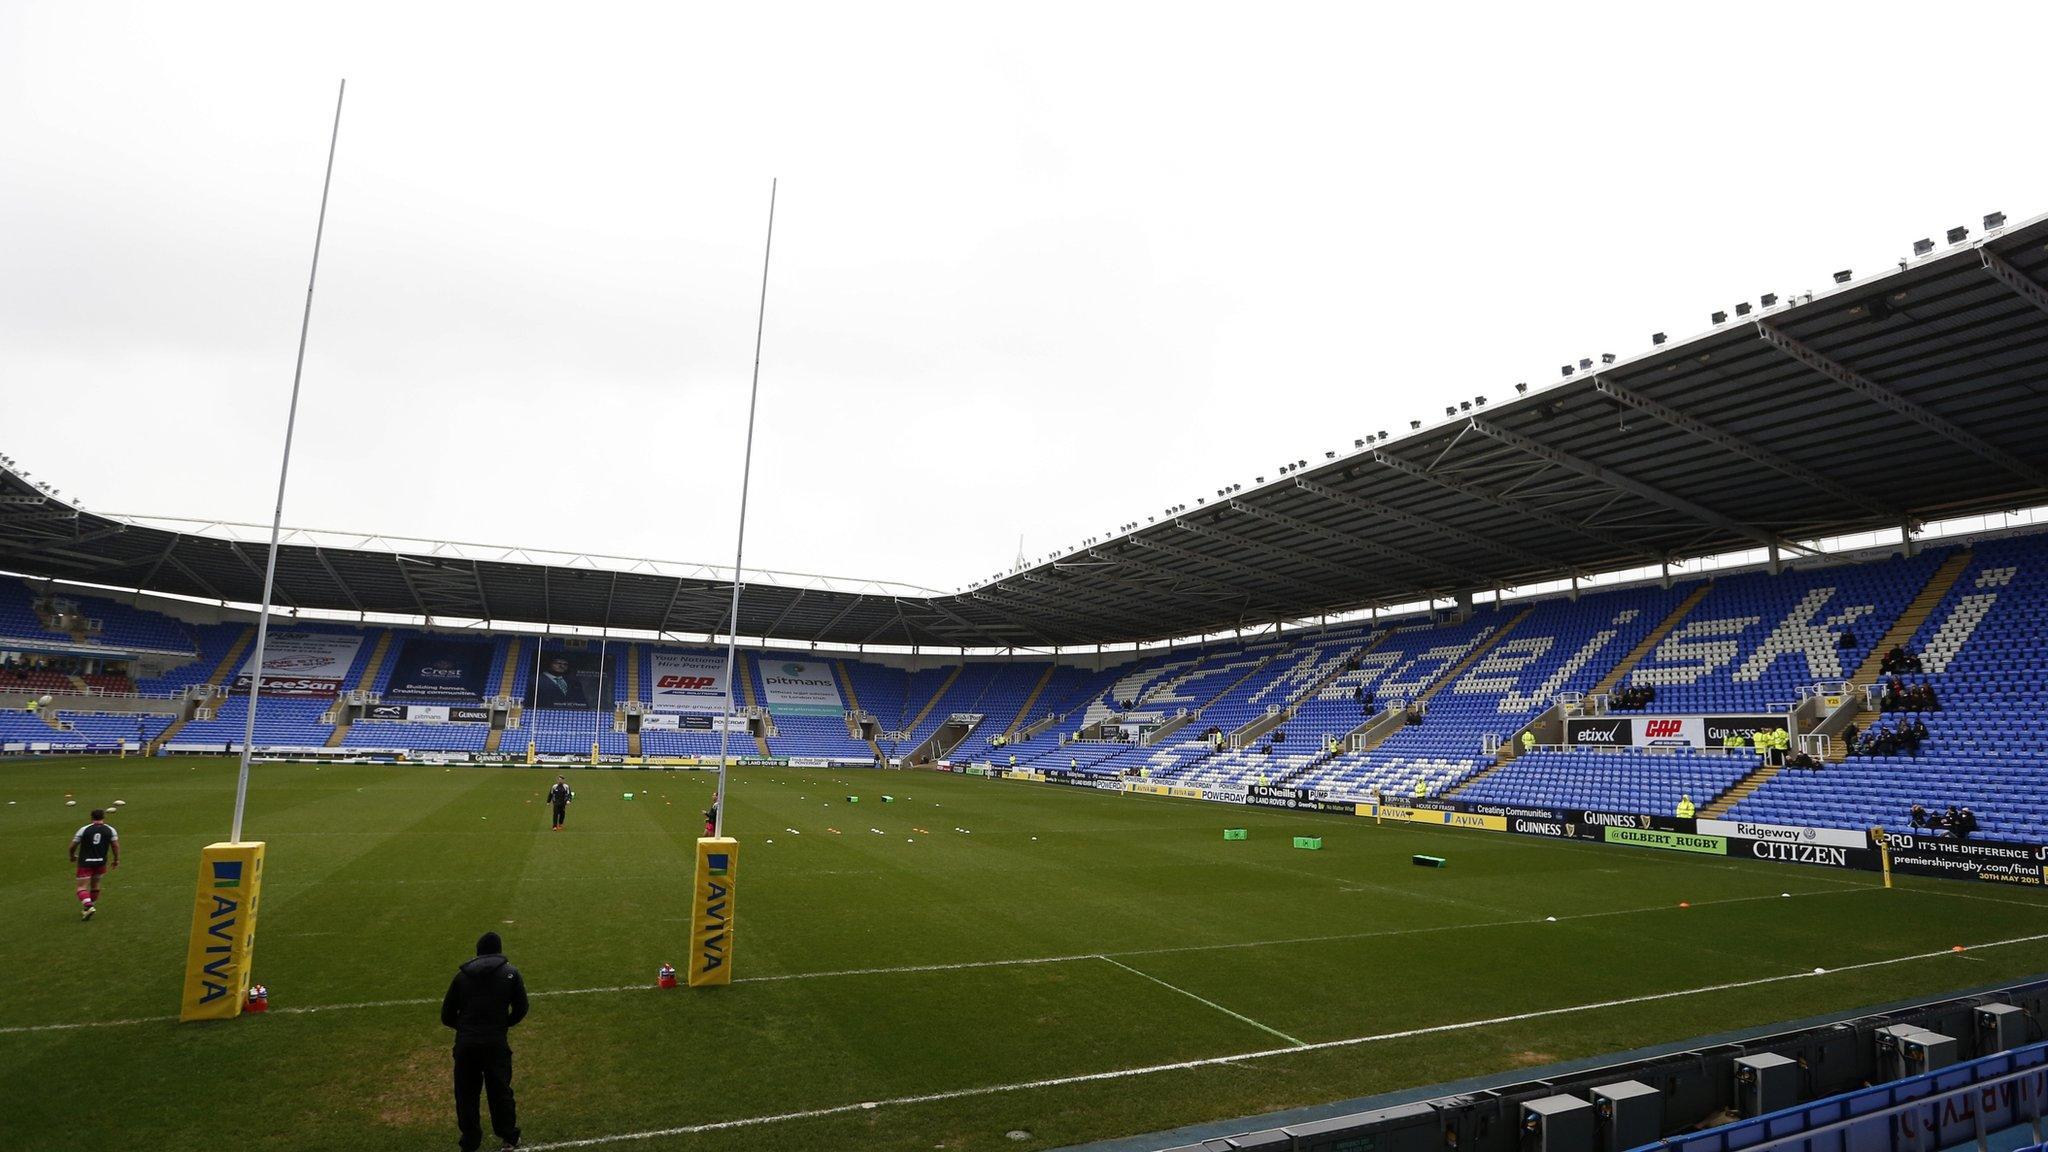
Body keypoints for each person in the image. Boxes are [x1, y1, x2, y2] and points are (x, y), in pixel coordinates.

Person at [442, 931, 527, 1152]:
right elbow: (521, 1008)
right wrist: (503, 1025)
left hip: (466, 1045)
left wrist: (464, 1028)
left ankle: (470, 1142)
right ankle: (509, 1138)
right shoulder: (511, 974)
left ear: (478, 952)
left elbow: (446, 1014)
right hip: (495, 1043)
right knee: (500, 1091)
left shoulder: (461, 977)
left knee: (466, 1094)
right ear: (498, 950)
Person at [69, 808, 120, 920]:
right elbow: (115, 846)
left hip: (85, 863)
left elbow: (72, 846)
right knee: (95, 885)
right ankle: (88, 908)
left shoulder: (84, 830)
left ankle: (88, 906)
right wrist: (116, 860)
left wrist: (72, 856)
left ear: (91, 817)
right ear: (104, 817)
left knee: (81, 888)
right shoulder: (110, 830)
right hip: (101, 862)